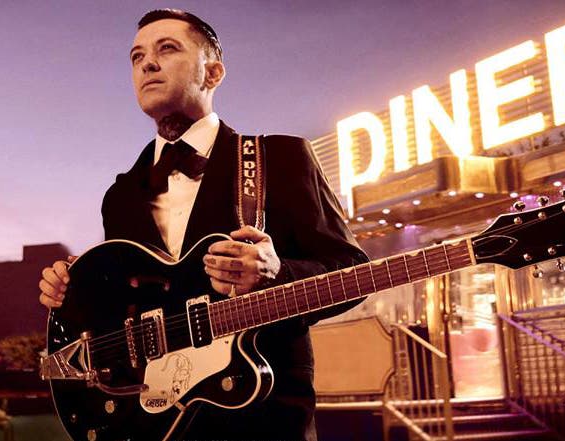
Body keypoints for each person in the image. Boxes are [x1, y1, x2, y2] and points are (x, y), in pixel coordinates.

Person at [37, 8, 368, 441]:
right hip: (154, 425)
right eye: (137, 57)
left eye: (167, 49)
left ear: (212, 73)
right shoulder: (120, 195)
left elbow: (352, 273)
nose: (147, 64)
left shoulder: (282, 158)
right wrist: (71, 292)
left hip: (265, 421)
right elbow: (120, 313)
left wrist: (276, 272)